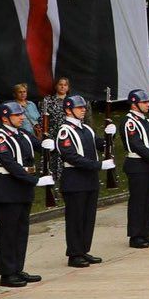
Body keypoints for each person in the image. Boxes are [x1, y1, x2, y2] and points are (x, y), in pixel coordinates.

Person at [0, 101, 40, 286]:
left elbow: (39, 146)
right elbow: (9, 163)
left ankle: (18, 268)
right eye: (17, 115)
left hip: (23, 189)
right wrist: (34, 180)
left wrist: (49, 143)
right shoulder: (0, 137)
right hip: (8, 189)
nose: (22, 117)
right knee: (7, 233)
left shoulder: (22, 134)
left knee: (21, 231)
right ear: (5, 117)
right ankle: (7, 273)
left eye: (21, 114)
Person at [52, 94, 102, 267]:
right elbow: (71, 156)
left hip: (90, 180)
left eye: (84, 107)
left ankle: (83, 250)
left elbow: (98, 144)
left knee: (88, 218)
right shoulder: (65, 131)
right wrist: (97, 165)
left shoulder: (86, 129)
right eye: (79, 107)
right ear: (68, 110)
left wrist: (110, 135)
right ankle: (74, 254)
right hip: (75, 180)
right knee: (75, 218)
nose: (83, 110)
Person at [119, 90, 149, 249]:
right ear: (134, 104)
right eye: (144, 102)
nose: (148, 104)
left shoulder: (147, 121)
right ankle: (135, 236)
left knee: (148, 200)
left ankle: (145, 232)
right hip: (137, 165)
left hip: (148, 166)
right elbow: (136, 145)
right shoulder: (129, 122)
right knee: (138, 201)